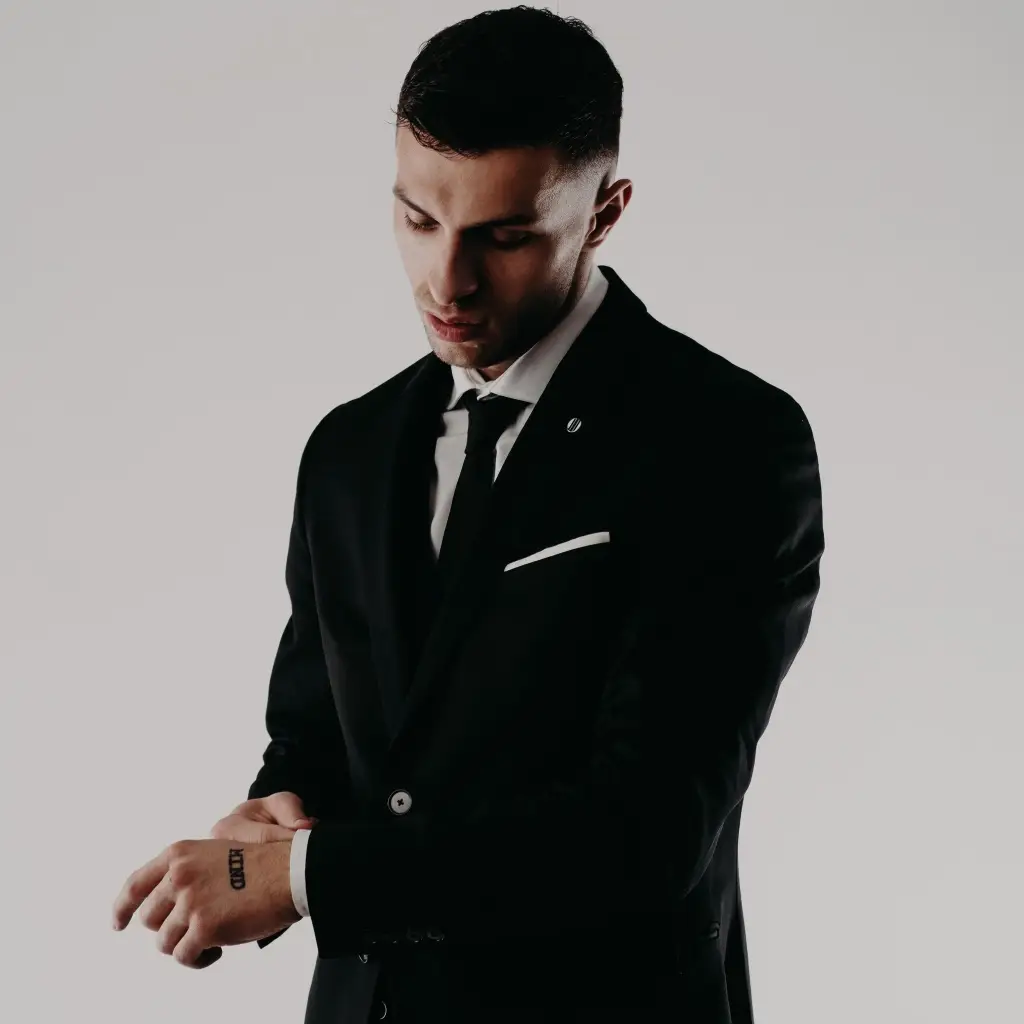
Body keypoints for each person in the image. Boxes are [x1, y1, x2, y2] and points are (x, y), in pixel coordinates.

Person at [112, 6, 825, 1022]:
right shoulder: (349, 449)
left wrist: (308, 878)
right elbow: (321, 736)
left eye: (505, 236)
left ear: (606, 211)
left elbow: (645, 832)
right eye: (418, 221)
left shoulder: (725, 441)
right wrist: (268, 823)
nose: (447, 280)